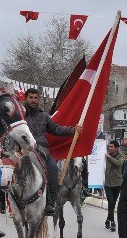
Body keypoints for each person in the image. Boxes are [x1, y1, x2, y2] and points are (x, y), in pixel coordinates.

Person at [21, 87, 82, 216]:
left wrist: (73, 130)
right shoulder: (20, 115)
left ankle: (50, 203)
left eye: (36, 98)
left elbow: (56, 129)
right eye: (31, 97)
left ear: (39, 99)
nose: (33, 100)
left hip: (43, 152)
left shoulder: (44, 116)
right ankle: (16, 199)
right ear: (26, 98)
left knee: (54, 170)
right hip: (25, 151)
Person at [104, 140, 125, 232]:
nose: (110, 148)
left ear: (116, 148)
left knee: (113, 204)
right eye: (109, 146)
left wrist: (108, 157)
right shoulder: (104, 155)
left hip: (117, 183)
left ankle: (107, 220)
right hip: (108, 183)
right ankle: (112, 222)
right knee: (111, 203)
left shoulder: (121, 156)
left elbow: (118, 164)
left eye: (112, 146)